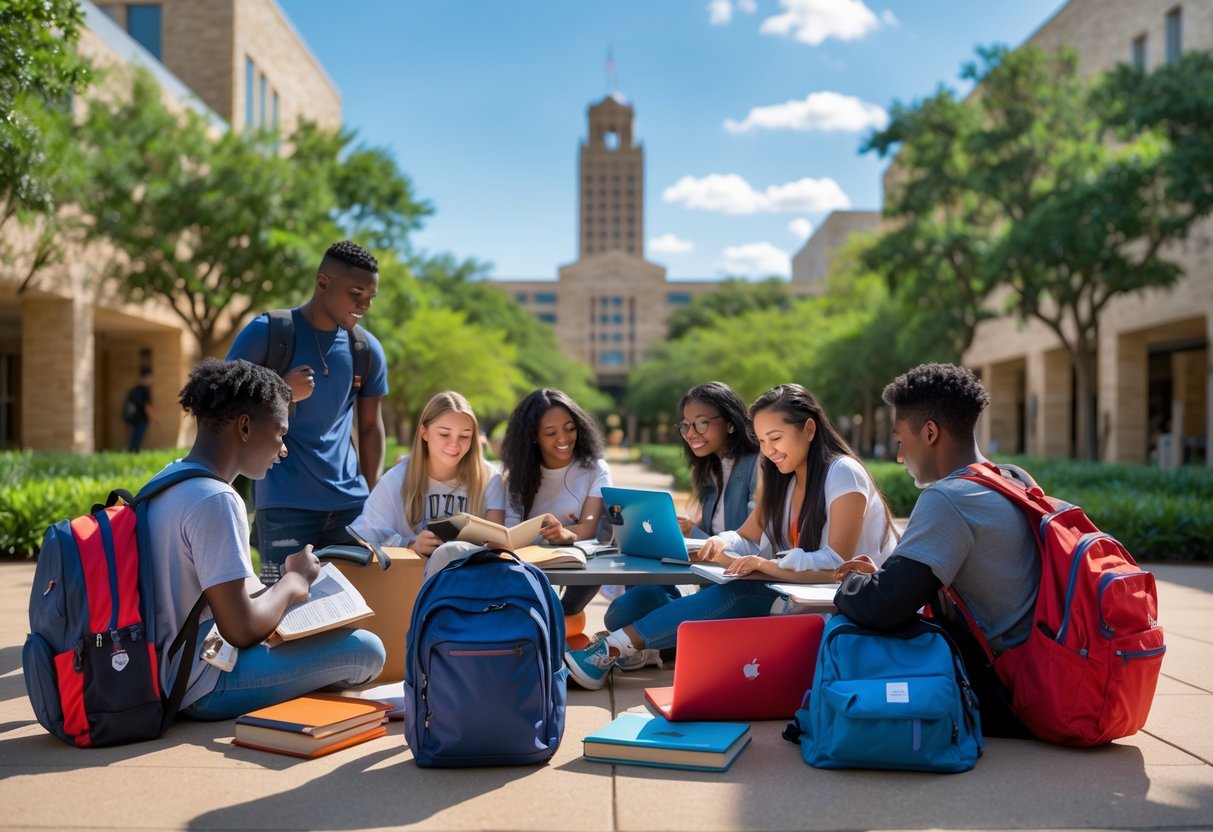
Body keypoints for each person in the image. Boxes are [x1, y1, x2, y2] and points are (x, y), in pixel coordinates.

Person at [565, 383, 896, 690]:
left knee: (742, 589)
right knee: (628, 608)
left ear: (809, 429)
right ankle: (646, 643)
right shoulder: (784, 478)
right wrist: (721, 543)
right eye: (763, 441)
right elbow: (747, 535)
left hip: (841, 603)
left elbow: (837, 566)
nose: (769, 450)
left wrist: (767, 566)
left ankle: (611, 647)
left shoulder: (843, 472)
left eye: (776, 438)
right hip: (796, 591)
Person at [148, 358, 385, 721]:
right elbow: (241, 629)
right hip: (200, 684)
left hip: (170, 667)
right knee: (366, 651)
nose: (283, 448)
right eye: (280, 433)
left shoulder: (170, 478)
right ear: (245, 426)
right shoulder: (216, 500)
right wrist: (294, 580)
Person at [832, 362, 1039, 738]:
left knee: (847, 633)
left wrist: (847, 585)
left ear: (929, 433)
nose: (899, 456)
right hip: (1044, 671)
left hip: (1009, 697)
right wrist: (878, 579)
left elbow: (885, 606)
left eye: (899, 440)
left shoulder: (948, 497)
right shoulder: (1013, 478)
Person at [226, 240, 388, 581]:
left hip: (350, 507)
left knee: (355, 613)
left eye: (370, 298)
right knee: (283, 617)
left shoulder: (367, 350)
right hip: (285, 504)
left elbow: (371, 427)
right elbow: (219, 403)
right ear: (323, 282)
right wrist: (282, 391)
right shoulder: (267, 333)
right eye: (356, 293)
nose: (364, 305)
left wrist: (371, 499)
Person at [614, 381, 761, 672]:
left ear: (731, 424)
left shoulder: (756, 466)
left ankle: (649, 643)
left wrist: (693, 533)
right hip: (707, 580)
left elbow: (754, 540)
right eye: (686, 425)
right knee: (621, 612)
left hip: (738, 585)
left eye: (702, 423)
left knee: (627, 621)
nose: (691, 433)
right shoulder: (710, 470)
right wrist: (682, 530)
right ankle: (672, 640)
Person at [349, 390, 507, 556]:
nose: (454, 444)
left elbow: (496, 545)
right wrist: (411, 544)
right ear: (424, 433)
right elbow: (365, 534)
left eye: (464, 436)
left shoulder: (489, 478)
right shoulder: (396, 480)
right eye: (444, 434)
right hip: (412, 578)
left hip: (470, 577)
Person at [499, 388, 611, 616]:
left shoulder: (595, 469)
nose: (563, 439)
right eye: (551, 433)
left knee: (563, 610)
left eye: (570, 429)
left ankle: (558, 619)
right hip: (529, 565)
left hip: (579, 564)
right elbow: (511, 532)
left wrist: (567, 534)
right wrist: (551, 535)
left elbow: (590, 526)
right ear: (533, 436)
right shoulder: (517, 475)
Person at [124, 370, 153, 452]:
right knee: (138, 437)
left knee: (134, 436)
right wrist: (151, 418)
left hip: (133, 417)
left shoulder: (135, 390)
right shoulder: (145, 391)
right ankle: (134, 451)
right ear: (145, 378)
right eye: (149, 378)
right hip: (141, 418)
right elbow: (146, 406)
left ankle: (132, 451)